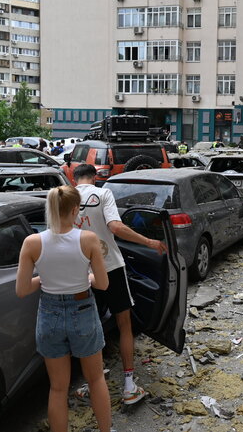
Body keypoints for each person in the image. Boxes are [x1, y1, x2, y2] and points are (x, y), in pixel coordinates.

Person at [15, 186, 113, 432]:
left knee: (58, 387)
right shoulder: (88, 239)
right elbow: (102, 284)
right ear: (74, 209)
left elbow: (22, 289)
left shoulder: (32, 242)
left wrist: (45, 279)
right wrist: (87, 277)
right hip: (83, 310)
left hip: (49, 313)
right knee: (96, 378)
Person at [73, 164, 168, 405]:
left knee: (90, 326)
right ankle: (128, 386)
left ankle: (91, 383)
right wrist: (148, 241)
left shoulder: (64, 196)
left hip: (81, 272)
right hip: (110, 267)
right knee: (124, 324)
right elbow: (115, 227)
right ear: (94, 177)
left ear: (73, 178)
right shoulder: (103, 193)